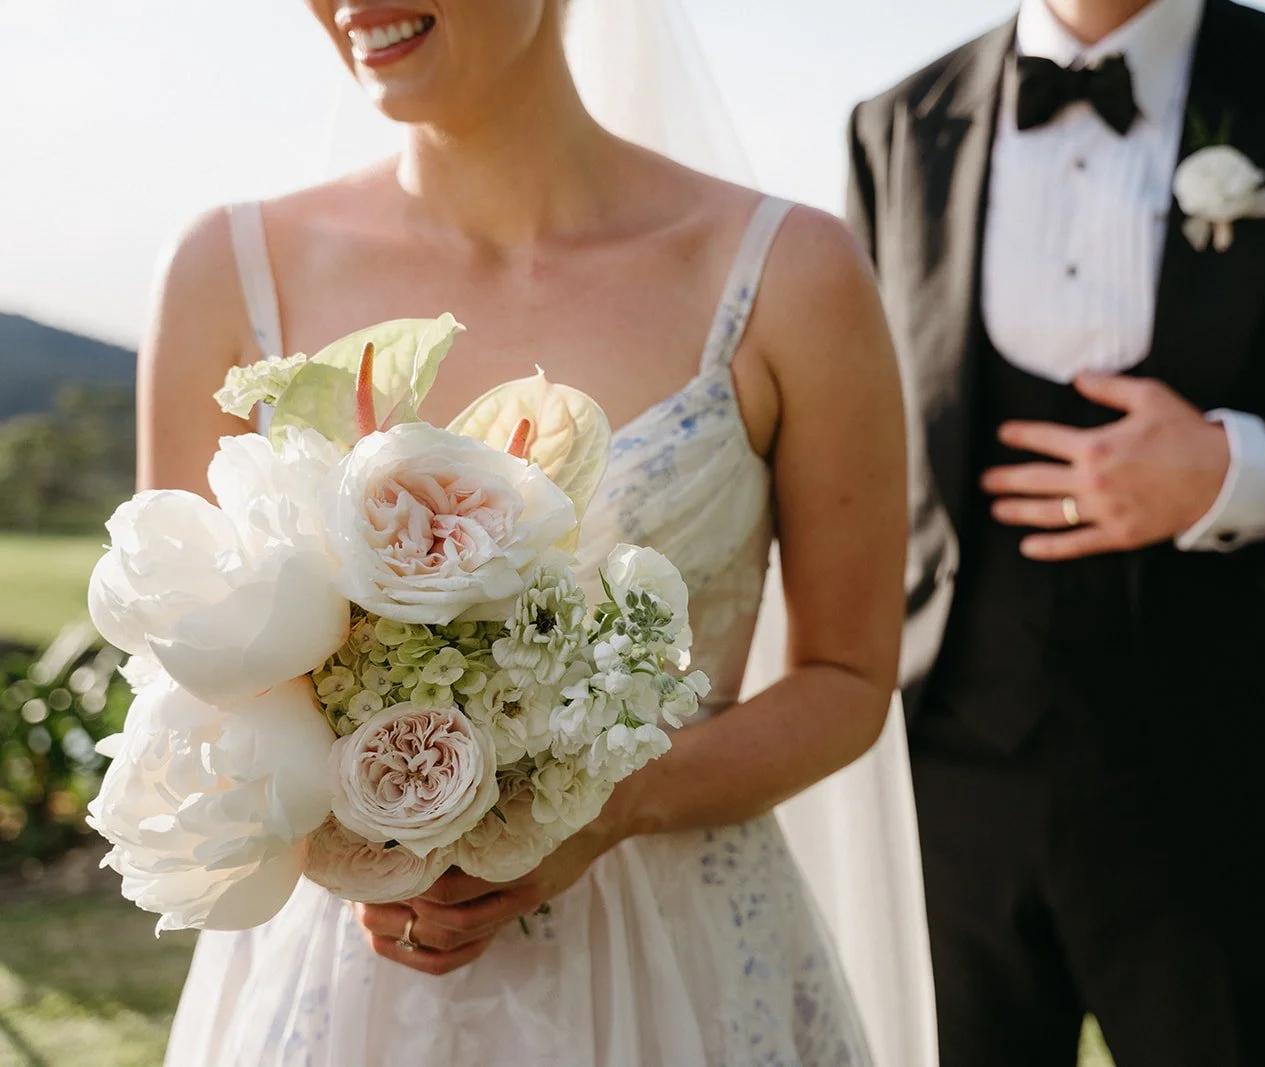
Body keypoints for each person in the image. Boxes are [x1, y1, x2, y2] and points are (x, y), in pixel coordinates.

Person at [143, 1, 907, 1063]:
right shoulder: (225, 272)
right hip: (345, 987)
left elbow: (847, 675)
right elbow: (186, 671)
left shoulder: (791, 272)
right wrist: (351, 836)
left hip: (680, 962)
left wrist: (603, 807)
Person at [846, 0, 1265, 1064]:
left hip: (1240, 800)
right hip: (948, 795)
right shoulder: (893, 124)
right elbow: (857, 440)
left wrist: (1233, 472)